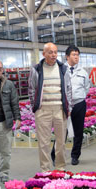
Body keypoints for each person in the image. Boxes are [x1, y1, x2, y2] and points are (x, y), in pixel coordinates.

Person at [28, 43, 72, 172]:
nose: (53, 55)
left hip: (60, 109)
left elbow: (68, 89)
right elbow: (31, 89)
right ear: (44, 54)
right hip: (43, 111)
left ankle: (60, 168)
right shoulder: (36, 69)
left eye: (55, 52)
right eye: (50, 52)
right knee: (43, 143)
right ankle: (45, 169)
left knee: (61, 142)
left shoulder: (63, 69)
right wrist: (35, 107)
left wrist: (68, 108)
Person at [51, 45, 90, 166]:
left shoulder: (83, 72)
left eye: (78, 55)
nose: (76, 57)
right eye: (73, 55)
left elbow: (87, 87)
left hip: (79, 103)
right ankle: (55, 155)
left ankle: (75, 156)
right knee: (62, 131)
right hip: (64, 105)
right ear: (67, 57)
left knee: (78, 131)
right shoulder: (60, 70)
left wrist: (79, 96)